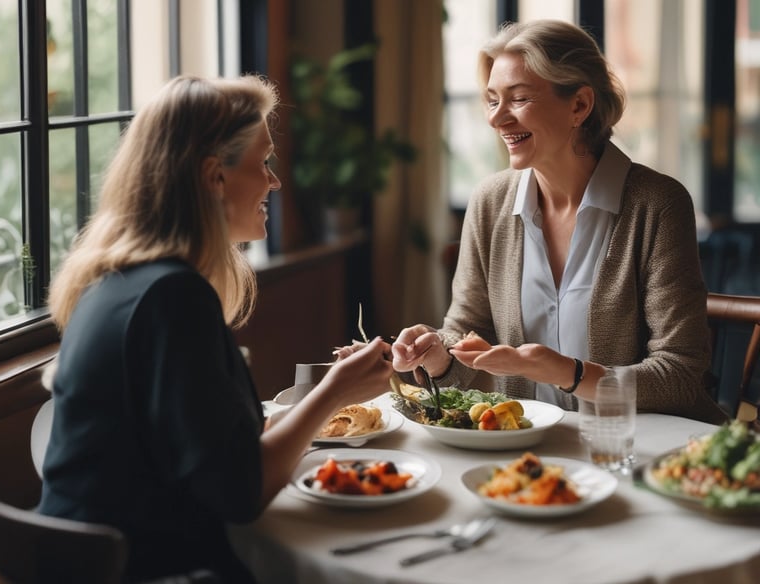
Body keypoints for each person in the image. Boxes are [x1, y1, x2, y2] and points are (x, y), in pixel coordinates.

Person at [38, 74, 394, 583]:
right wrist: (335, 391)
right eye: (263, 162)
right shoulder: (172, 299)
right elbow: (242, 492)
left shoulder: (120, 280)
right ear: (214, 177)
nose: (275, 181)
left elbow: (210, 448)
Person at [391, 19, 727, 425]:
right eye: (492, 100)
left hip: (638, 448)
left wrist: (567, 372)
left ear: (579, 106)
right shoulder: (490, 202)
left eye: (518, 99)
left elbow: (679, 376)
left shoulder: (658, 204)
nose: (498, 119)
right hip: (529, 447)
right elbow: (465, 330)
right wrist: (440, 354)